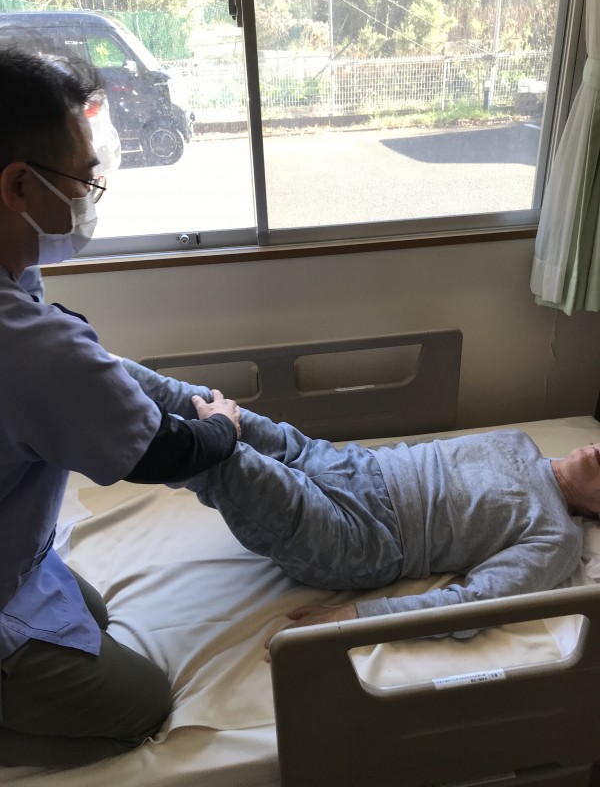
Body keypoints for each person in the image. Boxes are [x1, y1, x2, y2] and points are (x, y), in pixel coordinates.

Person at [0, 47, 241, 768]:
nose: (90, 195)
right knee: (141, 706)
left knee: (94, 614)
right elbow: (161, 451)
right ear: (18, 185)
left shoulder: (21, 298)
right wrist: (220, 430)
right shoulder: (29, 345)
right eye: (83, 178)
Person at [122, 361, 593, 644]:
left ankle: (107, 420)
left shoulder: (557, 537)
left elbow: (474, 606)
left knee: (221, 456)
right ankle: (91, 364)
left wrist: (353, 617)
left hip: (359, 536)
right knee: (193, 399)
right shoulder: (520, 440)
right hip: (335, 461)